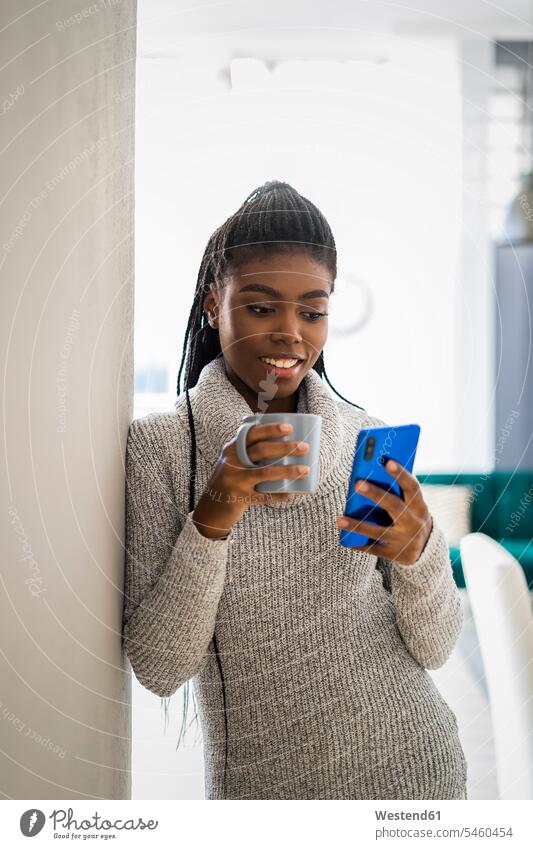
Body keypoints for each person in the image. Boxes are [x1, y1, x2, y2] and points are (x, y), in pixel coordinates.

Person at [122, 179, 468, 800]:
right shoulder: (161, 448)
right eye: (260, 307)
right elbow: (160, 667)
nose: (291, 334)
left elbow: (437, 648)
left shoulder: (369, 437)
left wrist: (422, 553)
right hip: (267, 795)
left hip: (416, 772)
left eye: (313, 311)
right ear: (212, 304)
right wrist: (216, 511)